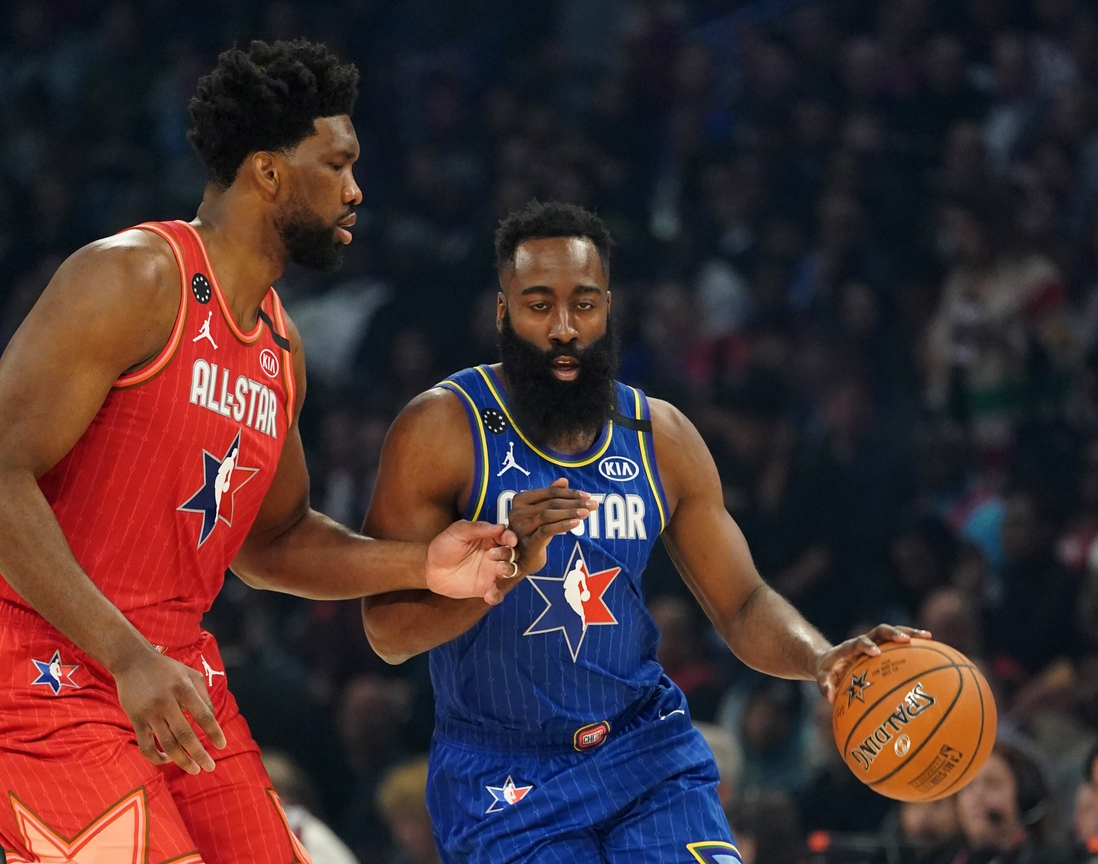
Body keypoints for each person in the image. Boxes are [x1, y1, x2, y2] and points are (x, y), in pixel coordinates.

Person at [0, 40, 523, 864]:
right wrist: (126, 656)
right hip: (40, 670)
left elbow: (273, 543)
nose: (357, 189)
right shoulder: (134, 277)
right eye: (338, 163)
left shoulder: (279, 347)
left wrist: (424, 564)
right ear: (269, 174)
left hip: (173, 672)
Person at [361, 200, 927, 862]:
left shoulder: (661, 436)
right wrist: (505, 568)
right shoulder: (443, 429)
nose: (565, 328)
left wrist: (822, 658)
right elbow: (387, 633)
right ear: (501, 313)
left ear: (610, 309)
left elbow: (742, 603)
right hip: (505, 775)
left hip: (646, 752)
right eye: (540, 305)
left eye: (585, 303)